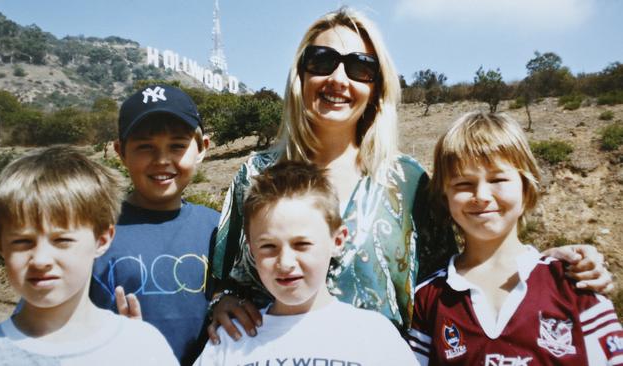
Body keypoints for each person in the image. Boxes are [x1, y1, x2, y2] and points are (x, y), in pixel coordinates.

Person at [208, 7, 612, 344]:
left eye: (359, 68)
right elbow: (225, 279)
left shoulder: (409, 181)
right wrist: (222, 302)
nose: (338, 79)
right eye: (322, 62)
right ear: (301, 75)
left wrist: (555, 265)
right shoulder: (256, 175)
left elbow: (456, 276)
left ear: (378, 87)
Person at [406, 112, 623, 365]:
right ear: (445, 198)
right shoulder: (428, 298)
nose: (482, 195)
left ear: (526, 190)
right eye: (464, 184)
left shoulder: (574, 283)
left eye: (497, 179)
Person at [194, 161, 418, 365]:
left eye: (301, 244)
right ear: (251, 248)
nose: (286, 263)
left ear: (337, 240)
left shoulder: (375, 336)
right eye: (269, 247)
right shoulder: (230, 341)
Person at [0, 146, 178, 365]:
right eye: (22, 242)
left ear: (102, 240)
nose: (41, 260)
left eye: (62, 241)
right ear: (1, 245)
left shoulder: (142, 348)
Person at [89, 84, 220, 364]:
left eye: (177, 146)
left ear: (202, 148)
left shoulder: (221, 231)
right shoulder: (90, 232)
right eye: (145, 147)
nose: (161, 160)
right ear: (120, 151)